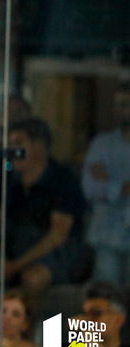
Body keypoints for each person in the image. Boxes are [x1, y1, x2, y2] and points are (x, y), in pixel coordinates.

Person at [0, 118, 85, 294]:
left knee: (33, 278)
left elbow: (57, 237)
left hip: (52, 255)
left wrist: (14, 267)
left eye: (17, 143)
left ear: (39, 147)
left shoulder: (64, 181)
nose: (10, 150)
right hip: (10, 252)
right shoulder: (6, 181)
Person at [81, 82, 130, 287]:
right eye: (117, 104)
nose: (120, 110)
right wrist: (123, 187)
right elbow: (90, 188)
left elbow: (102, 187)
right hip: (108, 236)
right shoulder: (102, 144)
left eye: (125, 104)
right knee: (106, 299)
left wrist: (109, 183)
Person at [63, 282, 130, 347]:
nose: (87, 319)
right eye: (84, 314)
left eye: (95, 313)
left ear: (118, 319)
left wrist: (86, 329)